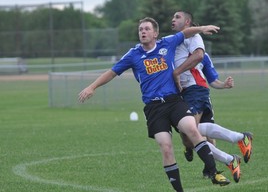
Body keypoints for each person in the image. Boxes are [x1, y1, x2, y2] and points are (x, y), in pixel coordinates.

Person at [78, 17, 230, 192]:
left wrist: (202, 28)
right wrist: (92, 87)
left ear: (155, 33)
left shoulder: (167, 43)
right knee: (166, 147)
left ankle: (214, 173)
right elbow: (112, 72)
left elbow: (185, 33)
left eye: (146, 29)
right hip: (154, 108)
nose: (142, 32)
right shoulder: (133, 55)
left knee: (192, 129)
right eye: (140, 29)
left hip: (174, 101)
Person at [171, 11, 253, 183]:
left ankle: (236, 144)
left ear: (188, 22)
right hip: (188, 93)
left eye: (177, 17)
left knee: (191, 132)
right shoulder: (176, 42)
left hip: (196, 91)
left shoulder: (194, 37)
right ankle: (228, 157)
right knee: (192, 134)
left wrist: (222, 85)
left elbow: (209, 74)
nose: (173, 19)